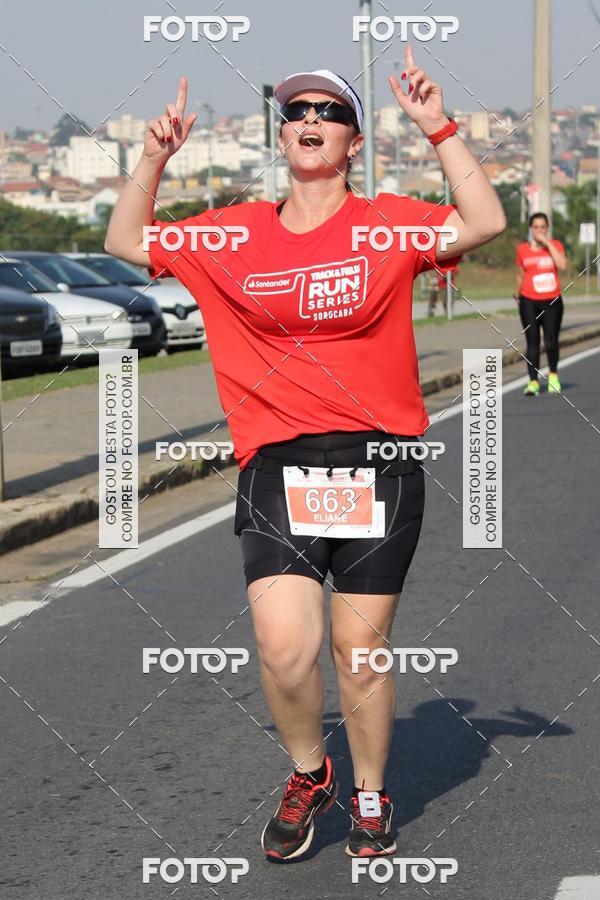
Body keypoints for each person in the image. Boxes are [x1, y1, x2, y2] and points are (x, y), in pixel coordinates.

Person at [105, 45, 505, 861]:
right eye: (296, 111)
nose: (311, 120)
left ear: (354, 139)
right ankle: (310, 771)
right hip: (278, 467)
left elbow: (484, 221)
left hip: (378, 466)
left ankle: (370, 791)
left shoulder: (388, 222)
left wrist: (440, 129)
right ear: (282, 135)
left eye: (330, 112)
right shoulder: (234, 233)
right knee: (286, 650)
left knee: (360, 654)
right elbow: (123, 239)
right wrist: (153, 157)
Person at [514, 213, 567, 396]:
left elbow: (562, 265)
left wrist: (547, 243)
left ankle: (553, 375)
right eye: (536, 227)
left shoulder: (556, 246)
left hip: (552, 301)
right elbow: (520, 273)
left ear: (547, 228)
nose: (539, 230)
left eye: (542, 227)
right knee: (532, 341)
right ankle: (533, 381)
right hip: (529, 300)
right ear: (531, 228)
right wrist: (516, 294)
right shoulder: (522, 249)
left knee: (551, 341)